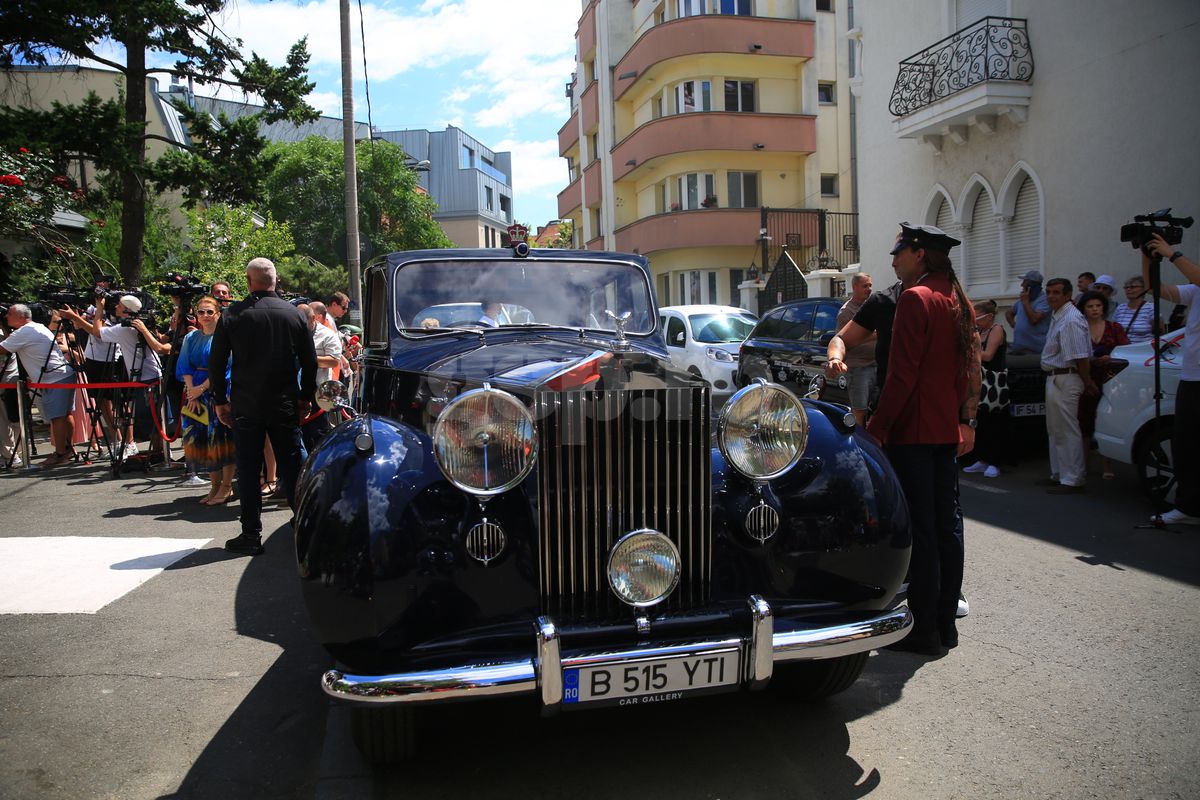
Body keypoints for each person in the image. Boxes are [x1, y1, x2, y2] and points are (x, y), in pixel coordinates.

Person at [866, 223, 978, 656]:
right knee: (948, 529)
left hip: (912, 432)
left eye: (899, 251)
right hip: (944, 431)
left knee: (925, 533)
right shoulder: (956, 298)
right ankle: (945, 626)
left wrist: (878, 427)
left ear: (919, 254)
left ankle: (924, 629)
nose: (893, 260)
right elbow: (969, 367)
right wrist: (967, 418)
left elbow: (901, 375)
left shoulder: (916, 298)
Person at [209, 257, 317, 556]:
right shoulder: (293, 315)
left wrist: (220, 400)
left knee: (248, 466)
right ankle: (305, 525)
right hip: (283, 401)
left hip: (247, 403)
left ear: (248, 281)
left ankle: (251, 533)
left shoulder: (233, 314)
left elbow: (216, 362)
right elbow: (309, 362)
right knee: (292, 465)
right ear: (275, 280)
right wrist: (306, 397)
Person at [61, 295, 171, 459]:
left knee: (151, 419)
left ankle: (158, 453)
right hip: (152, 374)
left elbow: (97, 332)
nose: (116, 307)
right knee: (154, 419)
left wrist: (97, 308)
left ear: (126, 309)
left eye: (119, 306)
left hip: (144, 378)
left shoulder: (124, 329)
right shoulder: (140, 324)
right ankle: (158, 452)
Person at [1143, 233, 1200, 525]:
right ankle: (1189, 508)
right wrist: (1147, 256)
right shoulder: (1195, 290)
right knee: (1186, 445)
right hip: (1191, 377)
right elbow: (1156, 289)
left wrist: (1171, 253)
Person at [1037, 278, 1098, 494]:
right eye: (1049, 292)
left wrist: (1087, 381)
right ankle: (1059, 474)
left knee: (1067, 429)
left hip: (1067, 377)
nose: (1051, 296)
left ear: (1068, 295)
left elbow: (1080, 357)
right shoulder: (1058, 316)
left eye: (1056, 292)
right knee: (1055, 429)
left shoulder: (1071, 319)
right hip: (1055, 376)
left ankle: (1073, 478)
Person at [0, 304, 78, 466]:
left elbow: (2, 349)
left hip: (54, 378)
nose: (6, 317)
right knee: (65, 414)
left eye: (9, 314)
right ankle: (67, 450)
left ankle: (60, 454)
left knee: (57, 416)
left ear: (21, 317)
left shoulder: (24, 331)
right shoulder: (35, 327)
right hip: (62, 375)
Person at [176, 296, 236, 504]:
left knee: (222, 441)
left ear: (218, 313)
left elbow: (225, 367)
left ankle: (227, 487)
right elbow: (184, 365)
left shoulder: (225, 336)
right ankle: (214, 486)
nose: (205, 316)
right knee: (204, 443)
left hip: (217, 391)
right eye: (201, 312)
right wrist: (192, 389)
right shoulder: (191, 338)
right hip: (195, 396)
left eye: (209, 312)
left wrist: (201, 388)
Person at [1074, 290, 1128, 481]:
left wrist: (1110, 358)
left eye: (1098, 305)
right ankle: (1084, 464)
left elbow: (1125, 352)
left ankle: (1107, 464)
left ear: (1103, 307)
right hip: (1085, 378)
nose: (1095, 309)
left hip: (1111, 379)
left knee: (1106, 421)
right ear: (1084, 309)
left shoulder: (1114, 328)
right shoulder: (1079, 328)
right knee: (1084, 422)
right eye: (1090, 306)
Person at [962, 300, 1009, 478]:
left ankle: (994, 461)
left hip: (993, 383)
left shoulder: (996, 329)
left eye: (978, 316)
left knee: (994, 422)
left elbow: (988, 355)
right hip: (979, 382)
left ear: (989, 316)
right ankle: (981, 459)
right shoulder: (979, 331)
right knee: (980, 421)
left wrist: (969, 349)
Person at [297, 303, 342, 452]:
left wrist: (309, 359)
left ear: (313, 319)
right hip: (296, 391)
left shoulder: (327, 334)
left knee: (318, 437)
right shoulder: (293, 332)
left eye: (304, 322)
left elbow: (334, 360)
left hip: (319, 393)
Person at [835, 273, 876, 425]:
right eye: (865, 286)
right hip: (858, 369)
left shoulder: (870, 307)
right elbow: (842, 340)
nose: (869, 289)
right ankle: (859, 444)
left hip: (875, 365)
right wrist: (874, 335)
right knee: (860, 412)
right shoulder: (847, 312)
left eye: (870, 286)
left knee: (876, 410)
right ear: (854, 287)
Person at [1004, 270, 1051, 355]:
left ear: (1031, 286)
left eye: (1024, 282)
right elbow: (1008, 313)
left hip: (1035, 351)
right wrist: (1015, 325)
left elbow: (1034, 319)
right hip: (1019, 348)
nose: (1021, 285)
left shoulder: (1044, 300)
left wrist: (1026, 302)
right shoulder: (1023, 299)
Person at [1111, 275, 1163, 344]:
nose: (1128, 289)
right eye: (1126, 287)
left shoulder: (1151, 308)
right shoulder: (1120, 308)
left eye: (1133, 287)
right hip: (1122, 351)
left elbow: (1160, 333)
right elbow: (1113, 330)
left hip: (1143, 351)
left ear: (1144, 289)